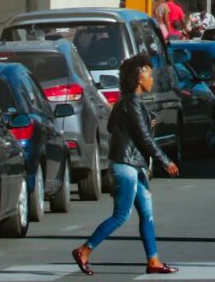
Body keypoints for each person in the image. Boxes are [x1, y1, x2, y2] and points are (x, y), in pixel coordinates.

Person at [72, 54, 179, 276]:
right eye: (149, 73)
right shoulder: (132, 103)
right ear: (139, 77)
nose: (152, 79)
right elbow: (144, 139)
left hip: (134, 164)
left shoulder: (127, 103)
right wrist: (165, 161)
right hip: (125, 165)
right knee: (121, 215)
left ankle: (154, 261)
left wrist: (142, 125)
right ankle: (84, 250)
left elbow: (114, 127)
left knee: (147, 214)